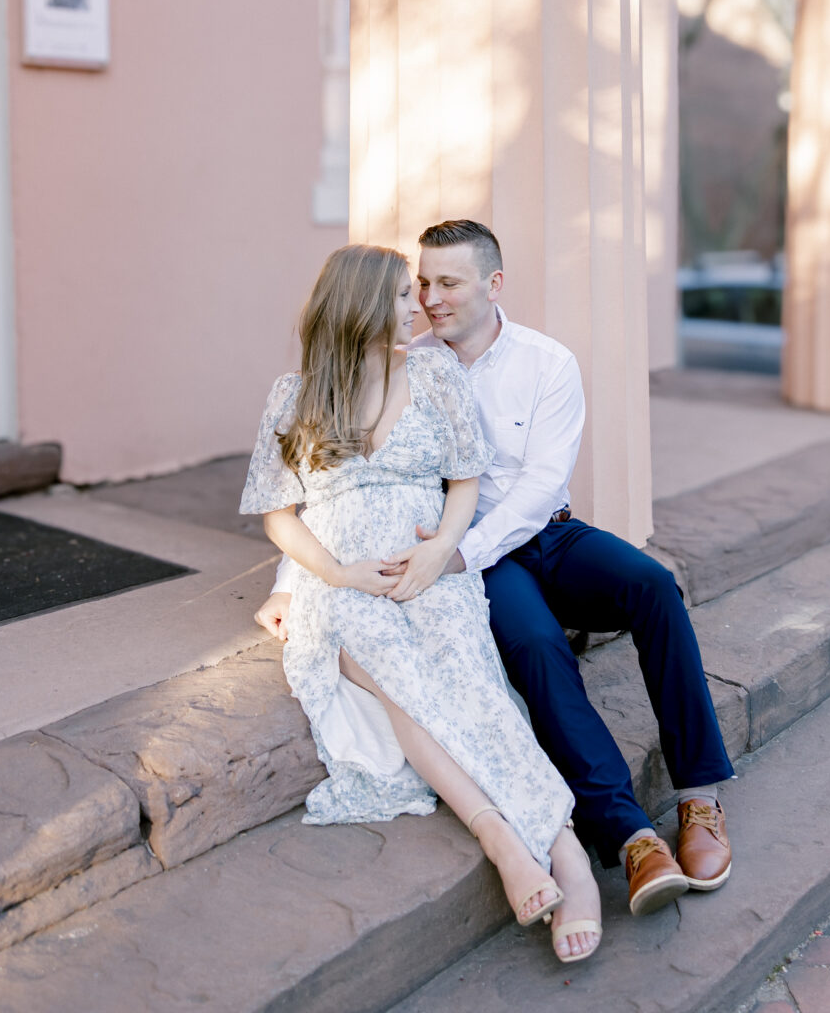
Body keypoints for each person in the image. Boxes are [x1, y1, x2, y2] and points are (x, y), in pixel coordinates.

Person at [257, 221, 734, 917]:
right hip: (464, 558)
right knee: (535, 644)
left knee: (654, 586)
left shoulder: (546, 363)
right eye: (422, 283)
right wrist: (290, 581)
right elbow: (333, 482)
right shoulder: (403, 359)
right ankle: (629, 835)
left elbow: (541, 488)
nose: (430, 298)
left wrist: (459, 552)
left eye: (448, 283)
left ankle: (699, 798)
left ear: (493, 284)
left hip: (540, 536)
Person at [240, 243, 602, 964]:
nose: (421, 308)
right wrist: (338, 575)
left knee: (470, 682)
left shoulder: (434, 374)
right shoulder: (296, 395)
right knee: (404, 684)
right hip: (342, 580)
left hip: (427, 565)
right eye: (404, 297)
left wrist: (439, 551)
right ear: (363, 306)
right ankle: (502, 839)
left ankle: (569, 857)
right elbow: (280, 515)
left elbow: (465, 481)